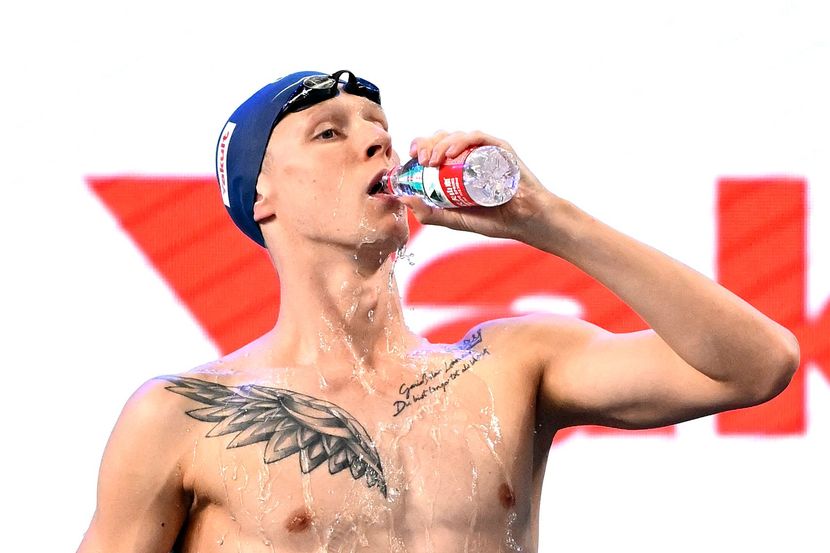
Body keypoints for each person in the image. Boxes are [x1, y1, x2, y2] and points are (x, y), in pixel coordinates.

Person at [77, 69, 799, 553]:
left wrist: (546, 219)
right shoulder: (184, 416)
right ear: (260, 194)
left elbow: (757, 365)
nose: (374, 139)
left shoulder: (511, 368)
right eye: (329, 133)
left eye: (377, 125)